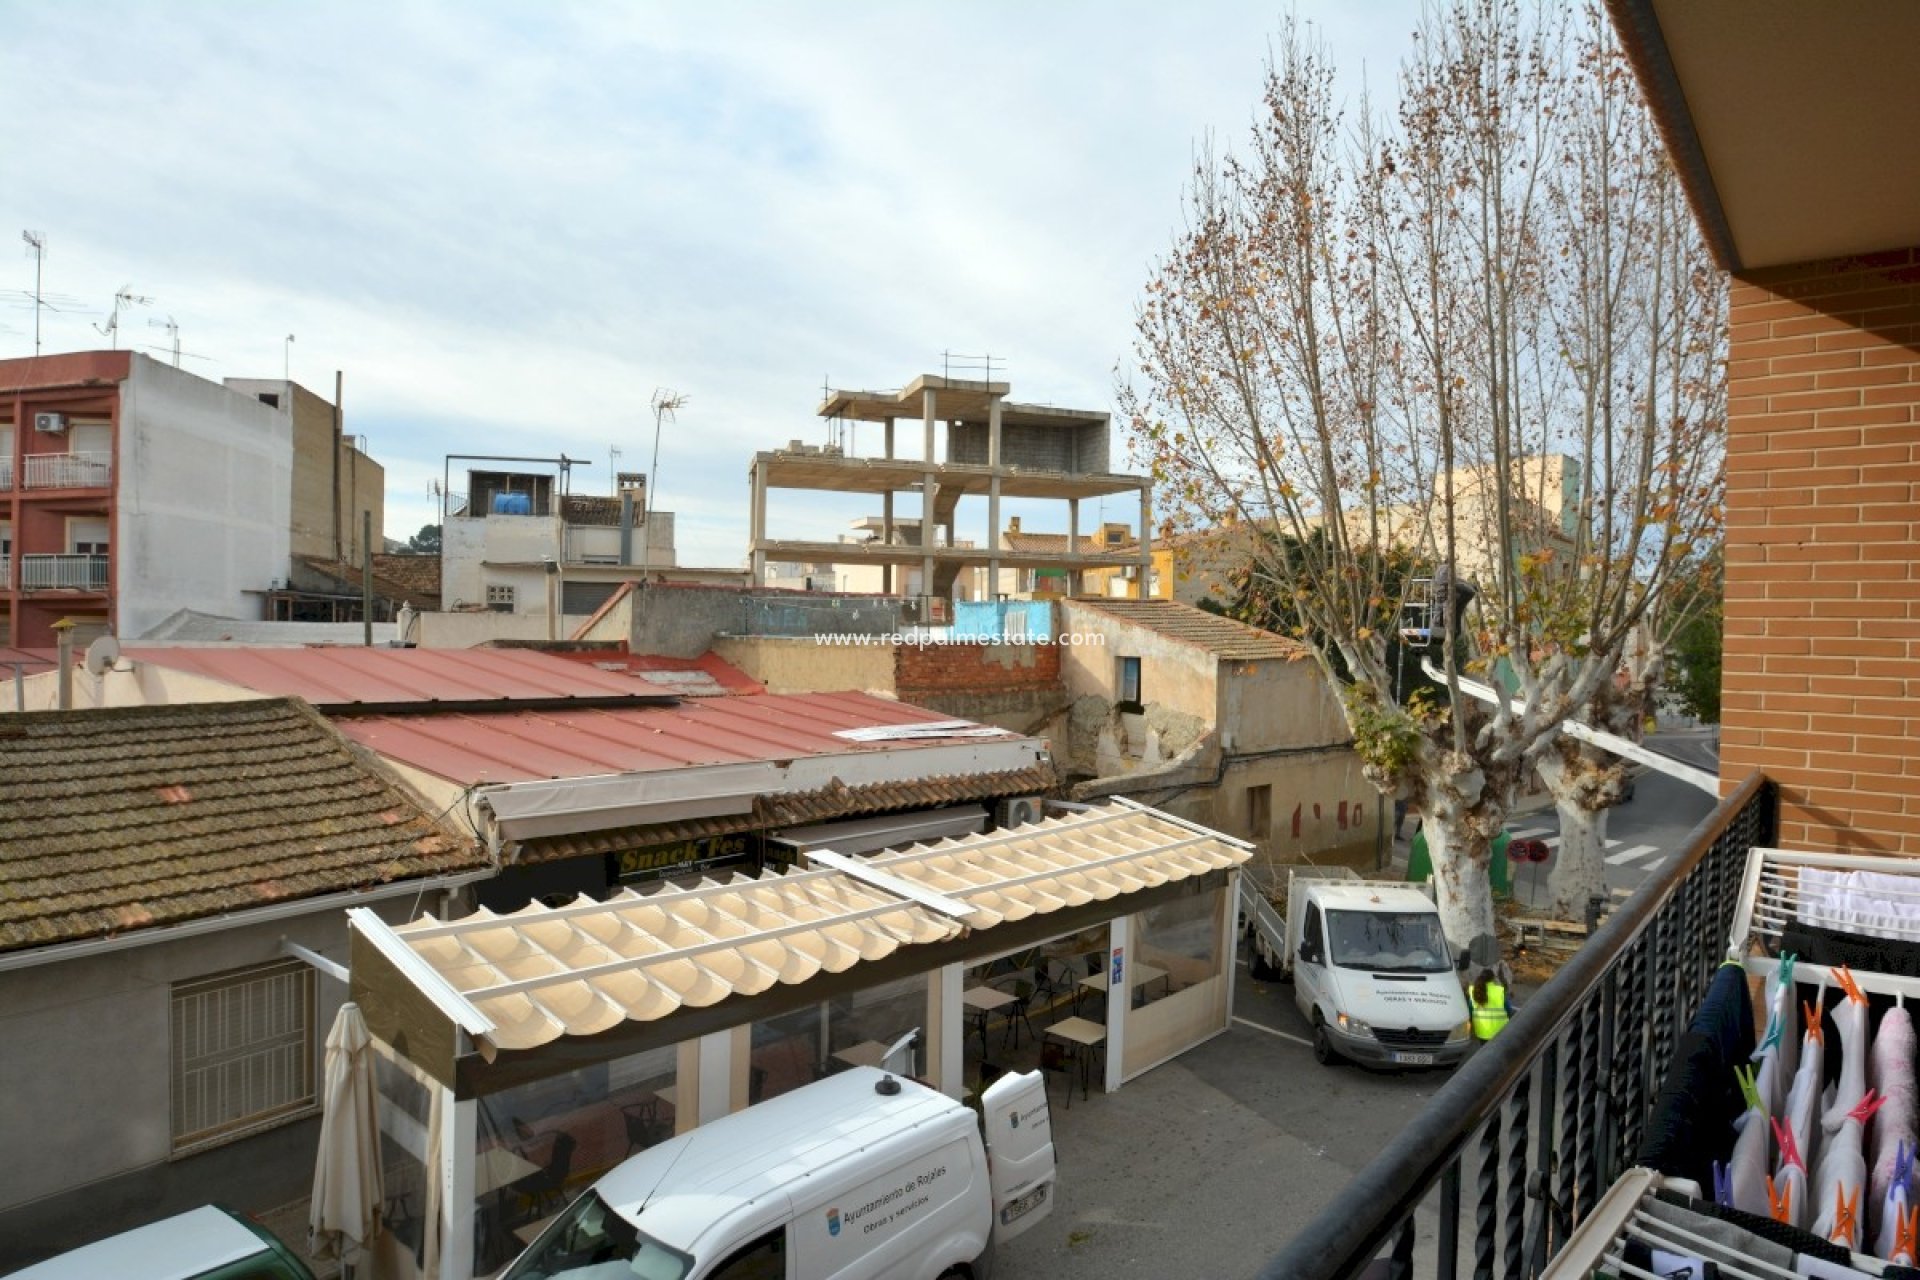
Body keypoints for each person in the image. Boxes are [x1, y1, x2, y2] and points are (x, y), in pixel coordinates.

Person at [1470, 968, 1508, 1042]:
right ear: (1493, 979)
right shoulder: (1499, 990)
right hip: (1500, 1030)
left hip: (1481, 1031)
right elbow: (1508, 1009)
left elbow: (1470, 1008)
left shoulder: (1473, 990)